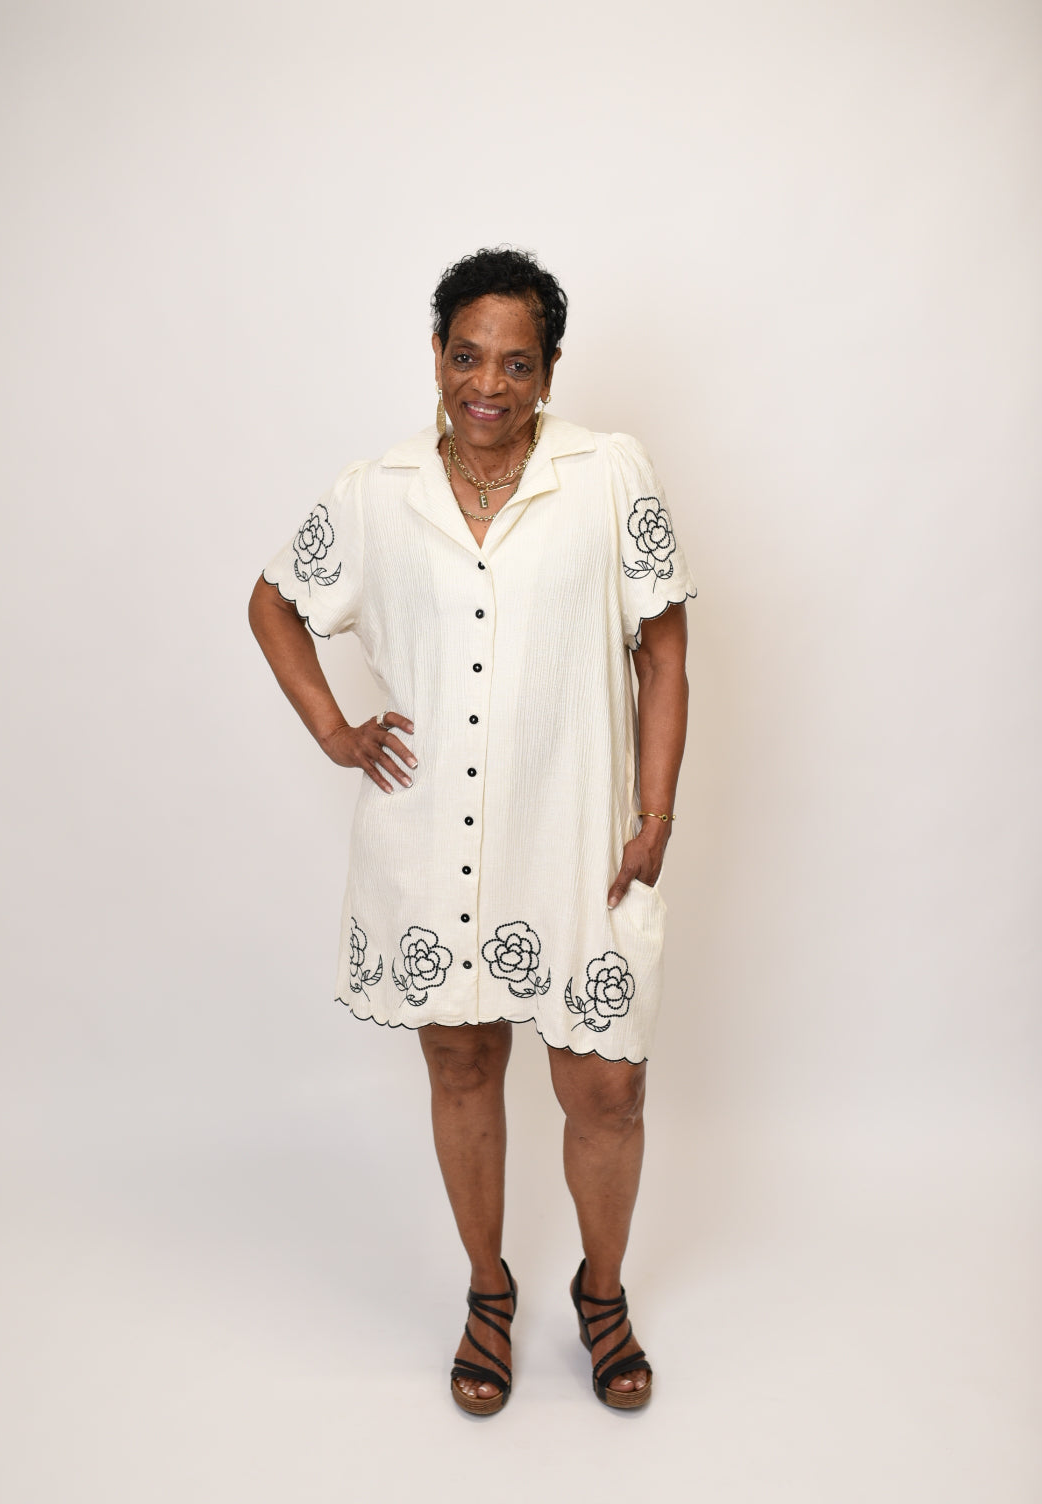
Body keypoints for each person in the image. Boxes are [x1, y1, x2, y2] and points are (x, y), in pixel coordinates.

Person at [248, 247, 694, 1414]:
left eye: (516, 363)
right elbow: (274, 603)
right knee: (462, 1065)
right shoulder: (376, 492)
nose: (487, 384)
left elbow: (665, 650)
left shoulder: (608, 474)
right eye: (466, 355)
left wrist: (654, 818)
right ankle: (488, 1291)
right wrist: (335, 730)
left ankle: (603, 1292)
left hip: (578, 842)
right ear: (437, 355)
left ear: (550, 370)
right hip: (428, 844)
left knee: (607, 1091)